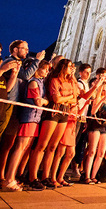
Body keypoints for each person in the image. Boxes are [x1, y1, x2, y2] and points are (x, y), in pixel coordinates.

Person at [27, 59, 76, 190]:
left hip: (64, 113)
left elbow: (75, 99)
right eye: (70, 66)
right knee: (42, 145)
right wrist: (67, 98)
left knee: (53, 146)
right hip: (53, 113)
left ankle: (45, 176)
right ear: (63, 67)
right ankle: (32, 177)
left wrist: (65, 98)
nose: (72, 69)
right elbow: (56, 99)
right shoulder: (54, 80)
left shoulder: (69, 81)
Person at [1, 60, 50, 192]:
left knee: (24, 148)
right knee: (20, 148)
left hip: (35, 118)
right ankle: (8, 179)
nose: (47, 71)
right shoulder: (33, 82)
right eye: (44, 69)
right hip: (29, 117)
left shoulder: (40, 83)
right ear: (37, 70)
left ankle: (12, 177)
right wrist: (46, 101)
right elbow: (38, 101)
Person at [83, 71, 106, 184]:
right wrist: (102, 101)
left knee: (101, 153)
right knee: (92, 151)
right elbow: (93, 111)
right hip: (96, 125)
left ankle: (94, 176)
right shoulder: (97, 99)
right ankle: (87, 176)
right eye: (104, 89)